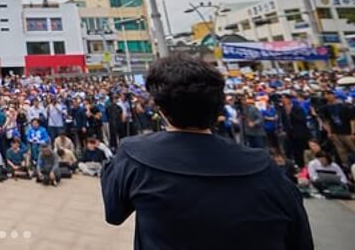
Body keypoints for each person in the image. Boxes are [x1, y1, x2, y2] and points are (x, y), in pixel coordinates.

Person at [102, 55, 313, 250]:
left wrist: (110, 164)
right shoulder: (268, 169)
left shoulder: (135, 155)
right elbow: (300, 240)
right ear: (218, 105)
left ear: (161, 109)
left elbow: (114, 212)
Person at [318, 90, 355, 168]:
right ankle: (348, 168)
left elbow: (352, 119)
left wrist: (353, 132)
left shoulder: (344, 106)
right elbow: (326, 121)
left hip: (347, 132)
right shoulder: (326, 108)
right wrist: (329, 132)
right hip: (336, 132)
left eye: (329, 94)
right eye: (325, 94)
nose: (327, 96)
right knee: (341, 152)